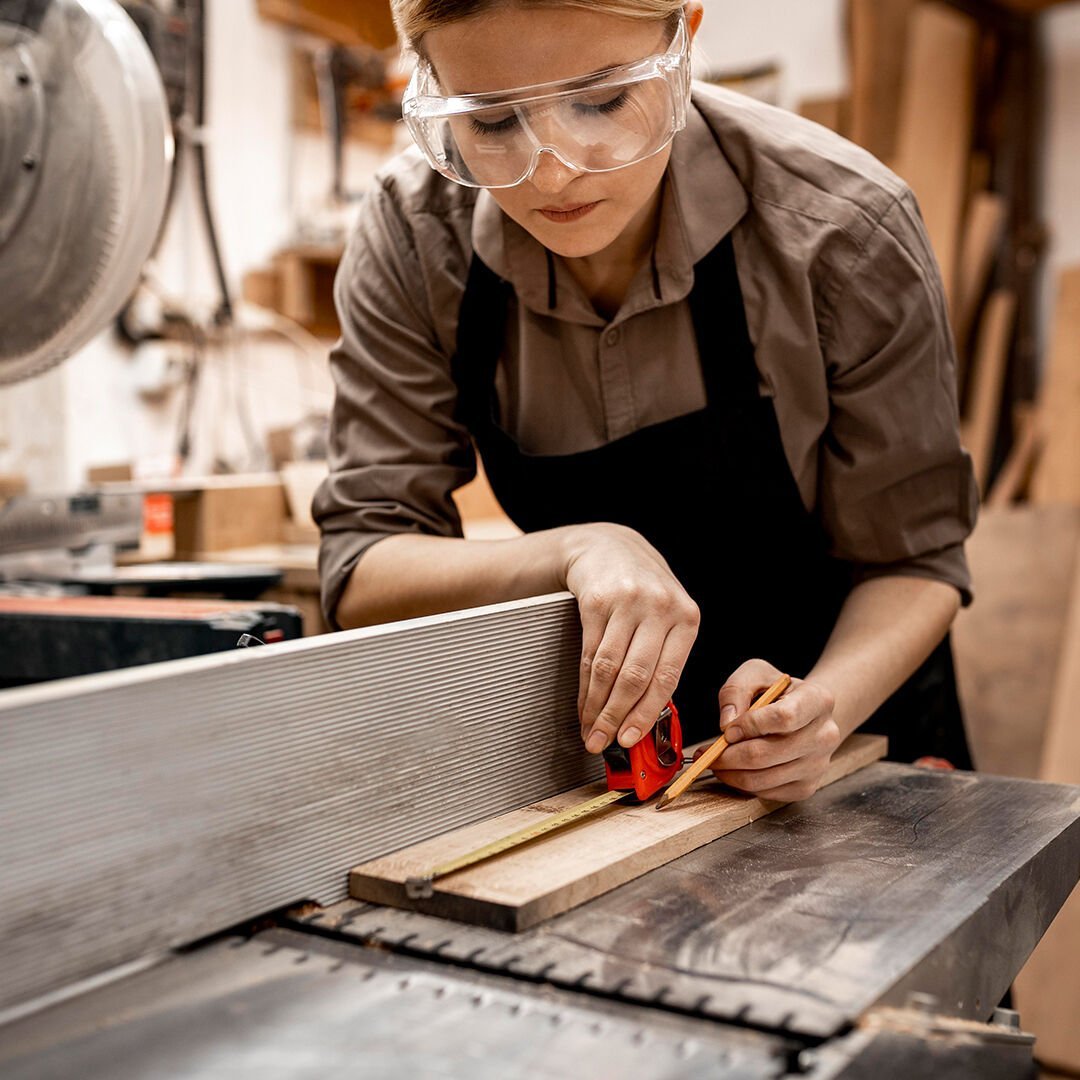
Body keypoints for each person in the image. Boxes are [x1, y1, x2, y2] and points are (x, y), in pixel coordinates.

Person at [313, 0, 979, 802]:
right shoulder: (416, 236)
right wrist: (576, 549)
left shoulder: (842, 232)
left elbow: (915, 560)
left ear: (685, 33)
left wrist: (821, 709)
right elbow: (360, 565)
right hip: (613, 765)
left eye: (599, 101)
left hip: (851, 737)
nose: (554, 170)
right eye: (491, 123)